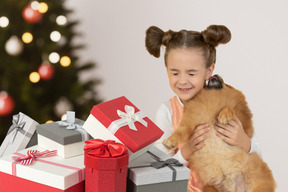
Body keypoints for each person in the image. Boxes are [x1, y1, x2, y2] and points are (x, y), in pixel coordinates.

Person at [145, 25, 261, 192]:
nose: (183, 81)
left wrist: (245, 142)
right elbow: (159, 168)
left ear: (209, 70)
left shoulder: (227, 100)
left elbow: (258, 157)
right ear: (166, 70)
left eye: (191, 73)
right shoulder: (167, 111)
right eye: (175, 73)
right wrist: (186, 151)